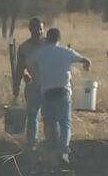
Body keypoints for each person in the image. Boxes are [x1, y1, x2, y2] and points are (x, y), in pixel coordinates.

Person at [27, 28, 91, 166]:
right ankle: (62, 152)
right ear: (59, 39)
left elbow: (29, 61)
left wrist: (35, 75)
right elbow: (85, 60)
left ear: (47, 39)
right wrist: (87, 66)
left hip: (46, 92)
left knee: (50, 123)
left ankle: (51, 149)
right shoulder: (66, 52)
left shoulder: (41, 52)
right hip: (63, 92)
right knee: (65, 124)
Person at [13, 18, 46, 149]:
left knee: (50, 116)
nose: (38, 31)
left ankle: (51, 142)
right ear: (30, 30)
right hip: (33, 85)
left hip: (49, 84)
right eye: (36, 28)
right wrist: (16, 87)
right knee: (32, 115)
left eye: (40, 28)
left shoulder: (49, 44)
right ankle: (32, 143)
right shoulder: (24, 48)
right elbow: (20, 68)